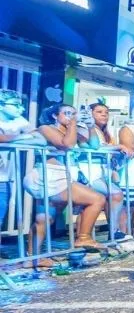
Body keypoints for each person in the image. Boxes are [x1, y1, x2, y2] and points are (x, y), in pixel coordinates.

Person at [24, 104, 108, 253]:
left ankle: (31, 259)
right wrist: (74, 123)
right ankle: (83, 237)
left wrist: (90, 126)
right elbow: (66, 144)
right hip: (49, 176)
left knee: (44, 219)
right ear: (56, 116)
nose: (71, 116)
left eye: (74, 113)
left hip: (60, 177)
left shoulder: (73, 131)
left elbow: (94, 145)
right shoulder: (46, 128)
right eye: (67, 113)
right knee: (97, 199)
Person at [76, 103, 132, 239]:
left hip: (102, 171)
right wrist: (118, 147)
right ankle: (111, 234)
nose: (104, 115)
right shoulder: (81, 127)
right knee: (115, 194)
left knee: (91, 206)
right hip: (88, 171)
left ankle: (110, 235)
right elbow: (90, 147)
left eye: (106, 112)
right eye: (99, 112)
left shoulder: (104, 132)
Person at [0, 90, 43, 233]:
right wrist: (22, 137)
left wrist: (19, 136)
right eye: (16, 105)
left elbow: (40, 138)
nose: (21, 109)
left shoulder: (18, 121)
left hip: (4, 177)